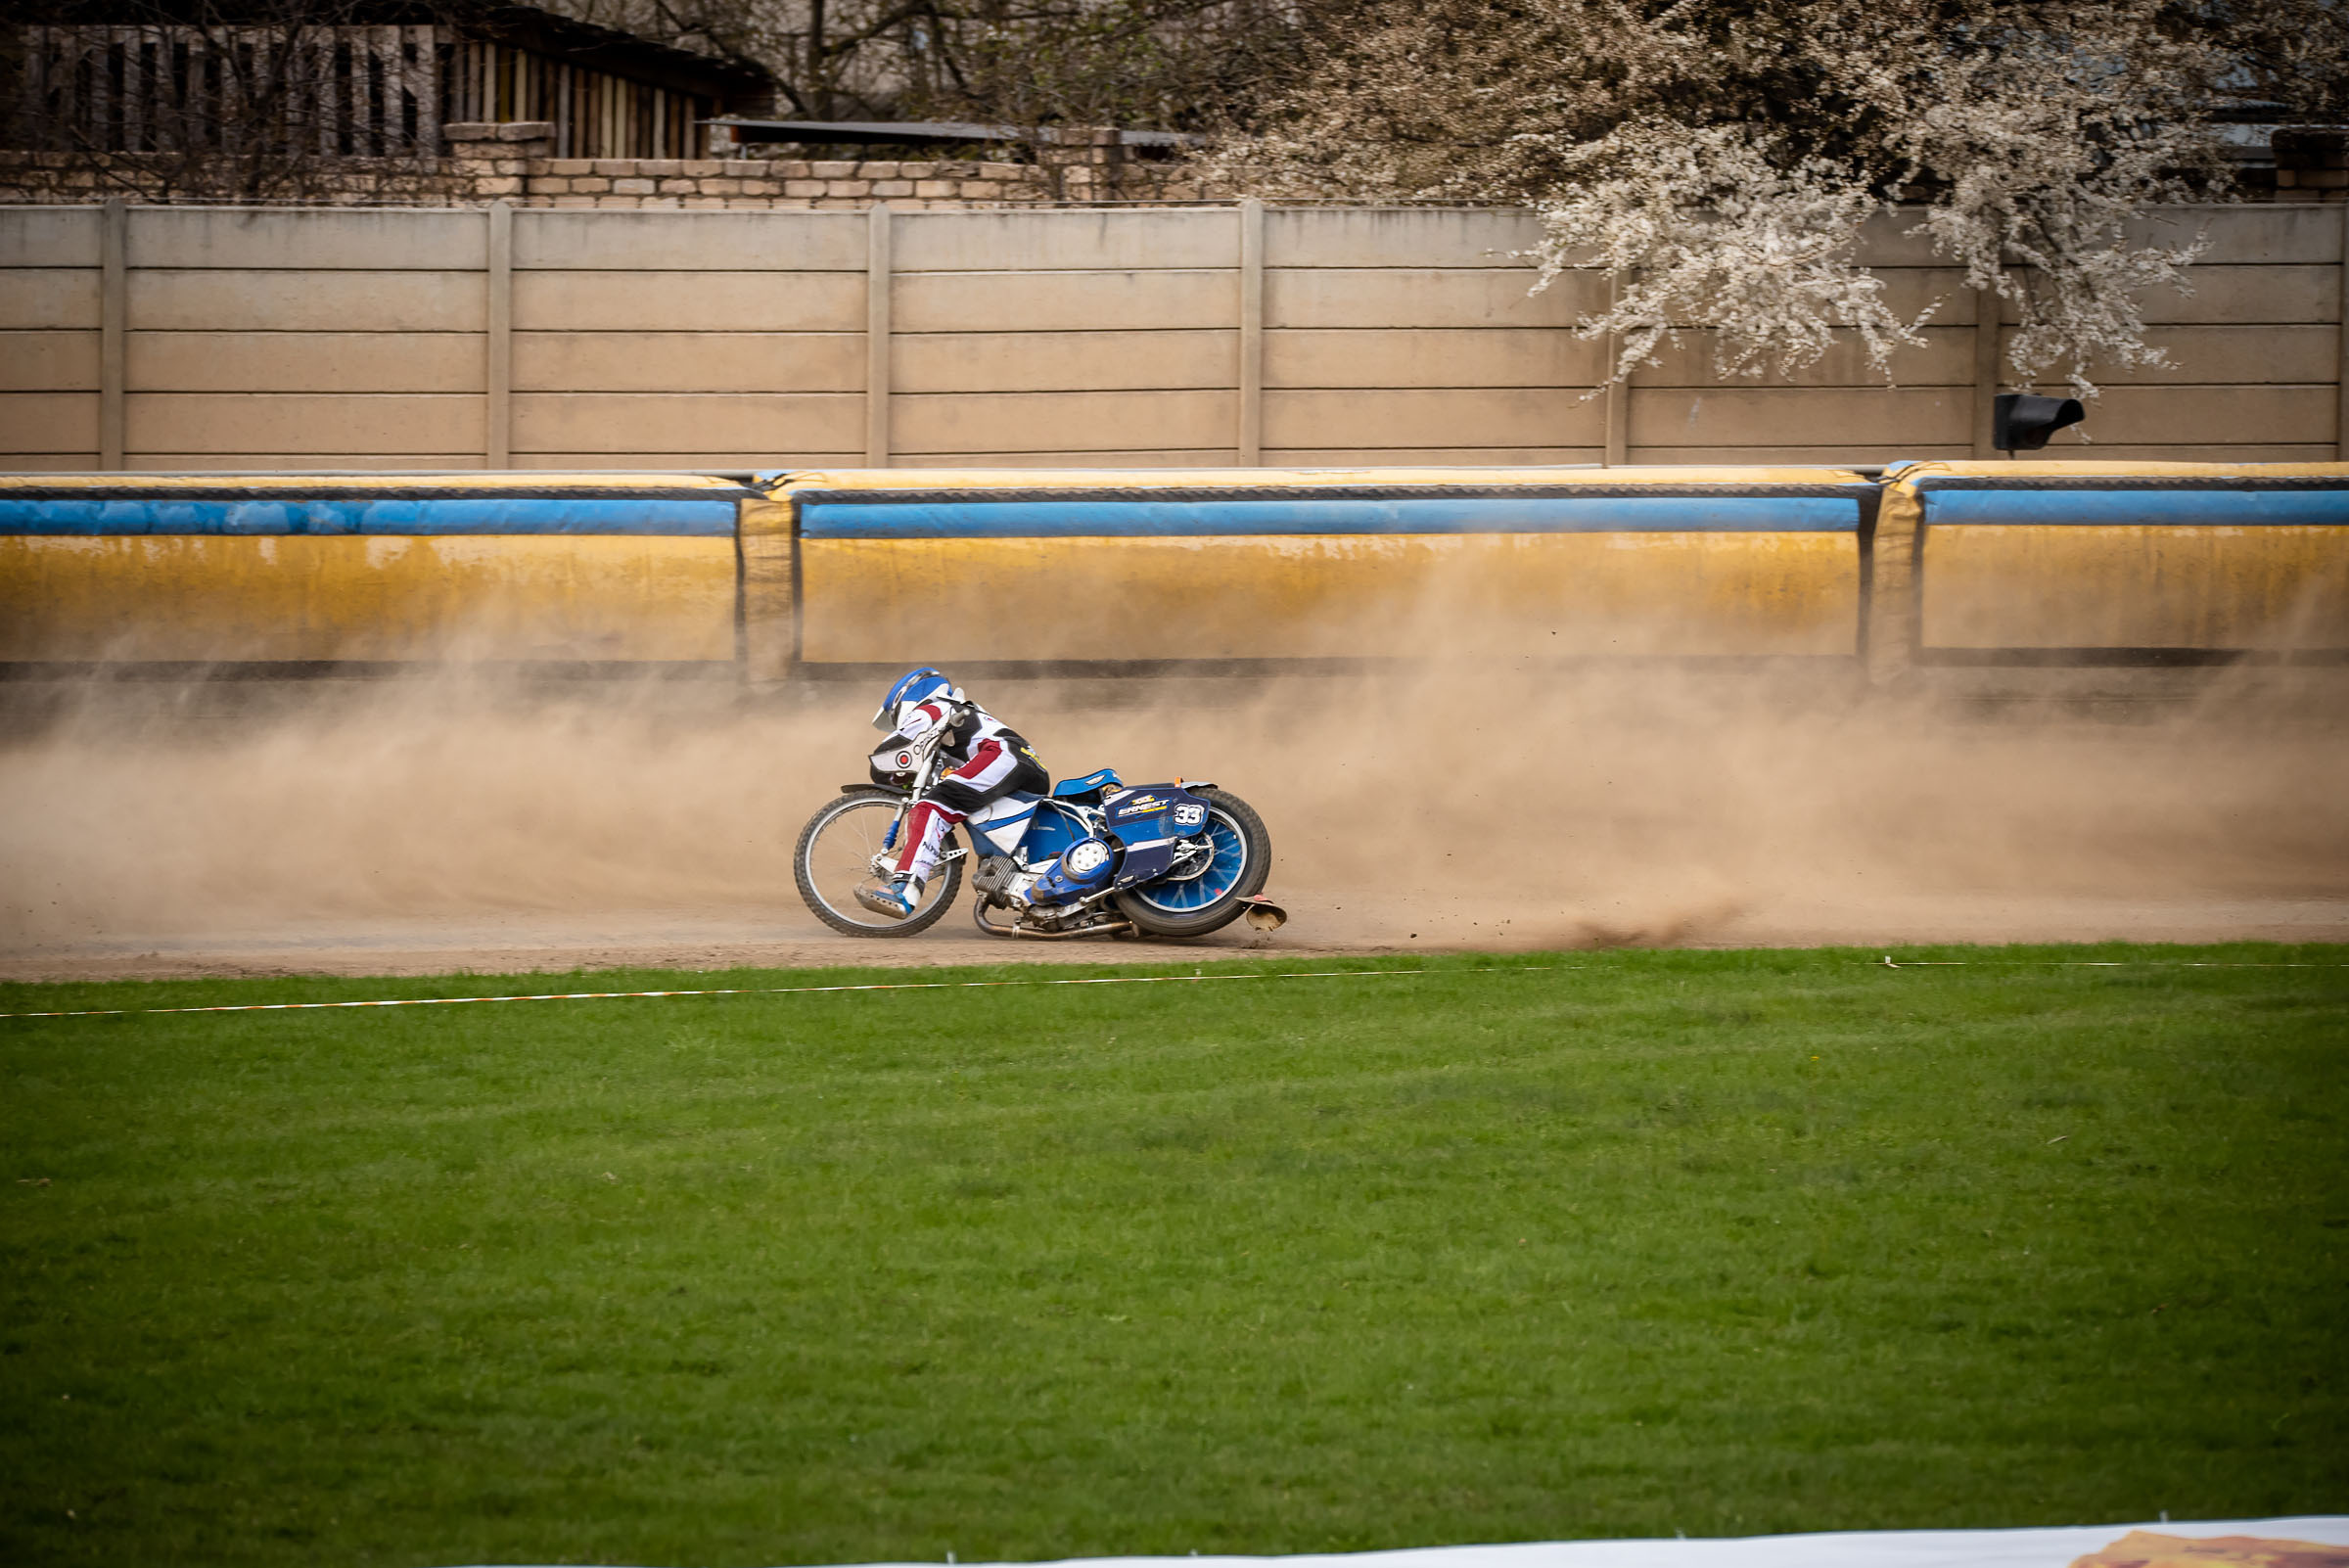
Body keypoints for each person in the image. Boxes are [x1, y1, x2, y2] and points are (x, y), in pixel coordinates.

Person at [859, 668, 1049, 918]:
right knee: (949, 804)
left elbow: (894, 747)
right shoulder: (961, 712)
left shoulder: (934, 706)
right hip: (1022, 763)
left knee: (930, 808)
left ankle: (905, 890)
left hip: (1002, 755)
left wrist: (883, 773)